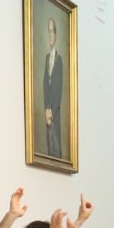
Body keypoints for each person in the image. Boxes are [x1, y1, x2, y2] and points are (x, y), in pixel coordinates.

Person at [42, 16, 66, 158]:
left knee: (56, 148)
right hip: (47, 112)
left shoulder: (59, 60)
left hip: (54, 112)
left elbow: (58, 89)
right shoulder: (46, 58)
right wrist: (46, 108)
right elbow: (45, 84)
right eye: (48, 31)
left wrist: (51, 109)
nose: (50, 34)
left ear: (56, 35)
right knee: (49, 147)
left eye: (52, 31)